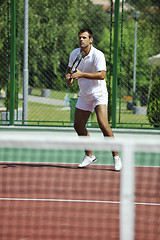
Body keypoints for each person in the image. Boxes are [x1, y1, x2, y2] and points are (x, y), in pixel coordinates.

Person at [66, 28, 122, 171]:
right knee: (78, 125)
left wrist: (81, 74)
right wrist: (68, 77)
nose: (81, 40)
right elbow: (69, 69)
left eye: (84, 38)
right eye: (80, 37)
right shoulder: (74, 53)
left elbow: (102, 75)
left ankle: (116, 157)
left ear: (91, 39)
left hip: (98, 94)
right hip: (84, 95)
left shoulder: (98, 55)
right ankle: (89, 155)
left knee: (103, 124)